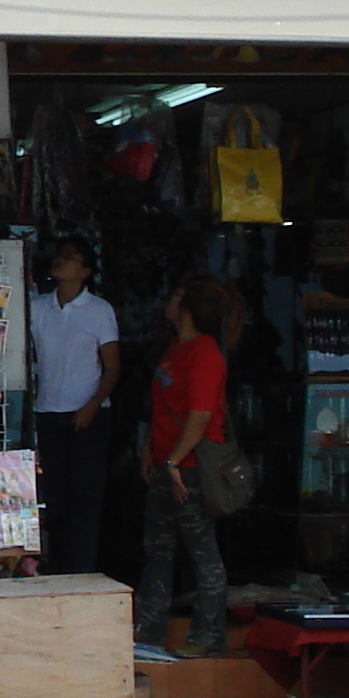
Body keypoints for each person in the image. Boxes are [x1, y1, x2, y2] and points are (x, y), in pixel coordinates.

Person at [131, 277, 234, 662]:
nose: (168, 303)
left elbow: (201, 415)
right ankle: (149, 630)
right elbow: (163, 406)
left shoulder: (205, 353)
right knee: (157, 550)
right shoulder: (177, 347)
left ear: (187, 309)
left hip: (189, 468)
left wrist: (173, 460)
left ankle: (208, 634)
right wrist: (150, 449)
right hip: (166, 462)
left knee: (201, 550)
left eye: (175, 296)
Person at [28, 236, 121, 577]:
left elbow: (112, 366)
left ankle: (81, 571)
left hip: (90, 414)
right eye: (60, 255)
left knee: (85, 497)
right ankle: (56, 569)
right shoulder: (38, 307)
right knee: (55, 498)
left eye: (70, 258)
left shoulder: (99, 311)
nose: (60, 261)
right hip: (49, 411)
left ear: (84, 271)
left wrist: (93, 404)